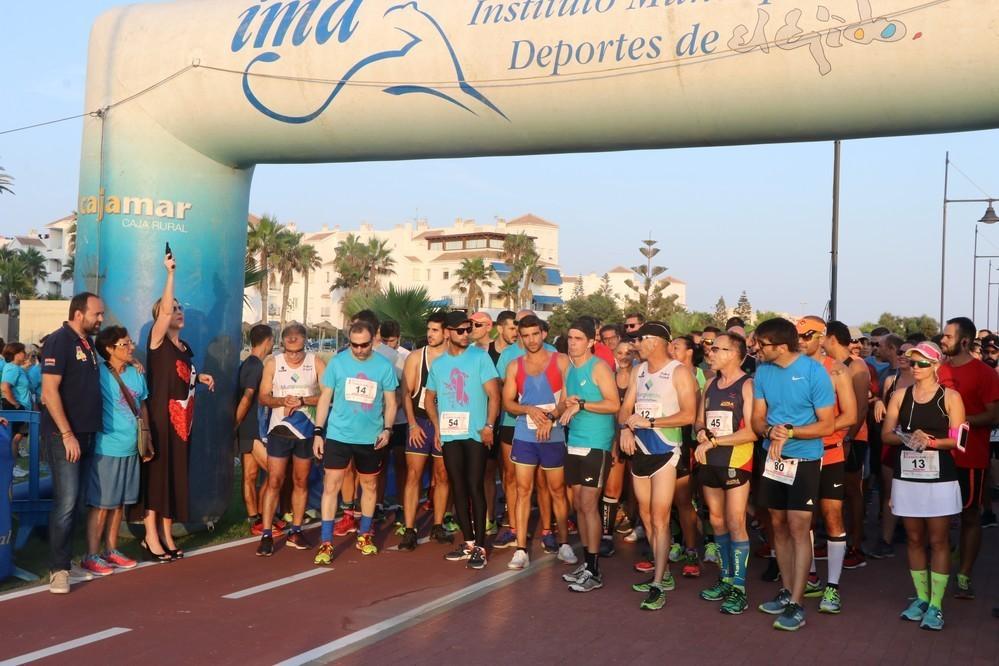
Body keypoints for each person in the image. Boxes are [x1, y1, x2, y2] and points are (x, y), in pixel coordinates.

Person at [751, 317, 835, 632]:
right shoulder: (763, 372)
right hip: (773, 458)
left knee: (799, 527)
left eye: (762, 344)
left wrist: (791, 432)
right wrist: (769, 430)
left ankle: (798, 603)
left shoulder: (815, 373)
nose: (757, 349)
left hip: (805, 458)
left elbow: (827, 424)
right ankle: (787, 591)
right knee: (777, 525)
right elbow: (757, 419)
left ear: (781, 346)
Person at [135, 253, 215, 562]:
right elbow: (165, 310)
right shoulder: (158, 342)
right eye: (172, 309)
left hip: (184, 424)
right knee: (158, 477)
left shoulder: (185, 349)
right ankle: (151, 535)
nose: (177, 312)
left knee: (175, 476)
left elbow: (182, 378)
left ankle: (167, 534)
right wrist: (170, 274)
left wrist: (200, 376)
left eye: (181, 308)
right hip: (160, 421)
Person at [881, 341, 965, 631]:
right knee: (915, 539)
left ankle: (937, 604)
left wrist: (929, 442)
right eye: (912, 362)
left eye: (922, 363)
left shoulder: (951, 397)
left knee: (939, 540)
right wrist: (907, 437)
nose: (915, 368)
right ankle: (921, 597)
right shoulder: (900, 396)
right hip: (907, 477)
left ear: (936, 365)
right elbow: (886, 435)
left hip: (940, 477)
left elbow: (959, 441)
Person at [619, 321, 697, 611]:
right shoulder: (639, 370)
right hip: (640, 447)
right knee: (647, 515)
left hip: (665, 449)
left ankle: (658, 582)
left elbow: (689, 415)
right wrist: (626, 428)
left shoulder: (679, 371)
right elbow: (626, 407)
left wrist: (652, 422)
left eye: (643, 338)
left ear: (658, 341)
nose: (638, 343)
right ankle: (661, 572)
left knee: (661, 517)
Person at [312, 321, 398, 563]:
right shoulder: (338, 363)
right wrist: (318, 431)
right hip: (339, 435)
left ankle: (364, 535)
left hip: (370, 438)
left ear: (374, 341)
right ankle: (326, 542)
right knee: (332, 486)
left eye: (365, 345)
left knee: (369, 486)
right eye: (354, 345)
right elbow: (324, 398)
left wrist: (388, 429)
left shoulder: (383, 366)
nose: (359, 350)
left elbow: (392, 402)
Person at [424, 311, 500, 569]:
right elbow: (429, 399)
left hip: (476, 433)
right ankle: (467, 542)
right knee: (457, 487)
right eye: (460, 330)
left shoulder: (480, 358)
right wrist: (436, 428)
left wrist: (489, 425)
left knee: (474, 485)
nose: (466, 334)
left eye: (468, 329)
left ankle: (480, 544)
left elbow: (494, 395)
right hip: (450, 433)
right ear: (447, 333)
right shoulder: (439, 364)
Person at [41, 292, 105, 594]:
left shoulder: (87, 343)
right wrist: (67, 434)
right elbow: (49, 392)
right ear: (79, 313)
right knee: (65, 504)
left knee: (77, 503)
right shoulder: (59, 341)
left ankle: (67, 561)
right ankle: (58, 570)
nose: (101, 319)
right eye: (97, 313)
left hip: (88, 433)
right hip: (65, 436)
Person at [503, 315, 574, 570]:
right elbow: (507, 402)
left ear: (543, 334)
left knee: (557, 490)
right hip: (525, 435)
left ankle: (564, 544)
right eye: (526, 335)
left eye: (535, 334)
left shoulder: (561, 361)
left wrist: (551, 417)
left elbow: (568, 398)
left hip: (553, 434)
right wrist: (528, 409)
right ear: (519, 338)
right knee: (523, 491)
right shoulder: (514, 366)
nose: (531, 340)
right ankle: (521, 549)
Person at [797, 316, 857, 614]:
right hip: (799, 453)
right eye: (798, 335)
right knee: (801, 517)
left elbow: (850, 415)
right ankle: (809, 576)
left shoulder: (837, 371)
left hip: (830, 452)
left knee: (832, 516)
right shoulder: (788, 369)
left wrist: (821, 428)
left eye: (807, 335)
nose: (801, 340)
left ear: (822, 337)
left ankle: (832, 587)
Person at [938, 317, 999, 600]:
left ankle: (964, 574)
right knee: (936, 517)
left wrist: (960, 421)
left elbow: (993, 415)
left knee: (970, 515)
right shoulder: (936, 371)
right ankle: (939, 570)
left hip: (970, 457)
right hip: (938, 456)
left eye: (947, 337)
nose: (942, 340)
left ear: (964, 341)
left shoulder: (985, 374)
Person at [694, 332, 755, 615]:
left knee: (735, 521)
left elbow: (753, 430)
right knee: (716, 520)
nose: (711, 353)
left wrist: (715, 441)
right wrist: (702, 433)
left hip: (736, 459)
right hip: (710, 460)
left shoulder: (747, 385)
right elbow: (698, 422)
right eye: (711, 348)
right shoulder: (709, 384)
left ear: (733, 353)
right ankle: (726, 576)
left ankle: (740, 588)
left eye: (718, 349)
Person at [82, 326, 150, 575]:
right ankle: (91, 554)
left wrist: (147, 438)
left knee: (119, 503)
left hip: (130, 448)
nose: (131, 347)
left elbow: (142, 407)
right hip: (106, 447)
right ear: (109, 349)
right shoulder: (97, 373)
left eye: (130, 342)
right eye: (125, 344)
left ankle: (111, 550)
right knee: (101, 504)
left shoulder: (137, 373)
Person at [559, 319, 620, 591]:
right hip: (574, 441)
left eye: (578, 338)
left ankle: (594, 572)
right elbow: (565, 402)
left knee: (588, 504)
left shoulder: (599, 367)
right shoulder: (570, 369)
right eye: (570, 338)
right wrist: (557, 410)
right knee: (579, 504)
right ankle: (587, 562)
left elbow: (613, 404)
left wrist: (582, 404)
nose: (572, 343)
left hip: (597, 442)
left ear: (591, 341)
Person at [255, 323, 325, 556]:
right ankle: (266, 534)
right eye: (289, 349)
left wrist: (304, 401)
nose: (293, 355)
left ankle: (296, 529)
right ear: (282, 343)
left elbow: (327, 395)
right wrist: (282, 401)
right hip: (280, 430)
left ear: (305, 341)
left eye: (298, 349)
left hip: (306, 431)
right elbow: (264, 397)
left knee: (301, 481)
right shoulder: (273, 363)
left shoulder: (315, 362)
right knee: (275, 480)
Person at [494, 309, 556, 552]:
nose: (526, 331)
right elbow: (502, 390)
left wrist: (549, 415)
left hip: (546, 425)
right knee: (512, 478)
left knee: (543, 479)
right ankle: (513, 528)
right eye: (520, 325)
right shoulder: (508, 354)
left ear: (540, 329)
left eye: (531, 326)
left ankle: (548, 530)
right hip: (513, 423)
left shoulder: (553, 353)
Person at [398, 313, 453, 550]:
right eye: (429, 329)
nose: (430, 334)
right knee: (413, 475)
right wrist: (412, 424)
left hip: (447, 424)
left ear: (446, 333)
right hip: (420, 423)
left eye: (435, 330)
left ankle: (438, 524)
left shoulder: (455, 358)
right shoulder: (415, 358)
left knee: (442, 476)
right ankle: (410, 529)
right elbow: (406, 393)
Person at [824, 321, 872, 571]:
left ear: (831, 338)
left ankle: (856, 545)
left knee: (853, 491)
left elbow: (861, 407)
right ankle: (836, 539)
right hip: (831, 439)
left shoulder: (857, 366)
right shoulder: (828, 366)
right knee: (832, 495)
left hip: (852, 437)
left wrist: (848, 438)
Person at [235, 324, 275, 536]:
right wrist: (235, 423)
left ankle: (255, 518)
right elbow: (247, 397)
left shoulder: (246, 364)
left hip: (246, 428)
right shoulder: (256, 366)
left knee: (250, 475)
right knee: (274, 471)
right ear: (268, 341)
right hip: (250, 429)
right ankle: (263, 513)